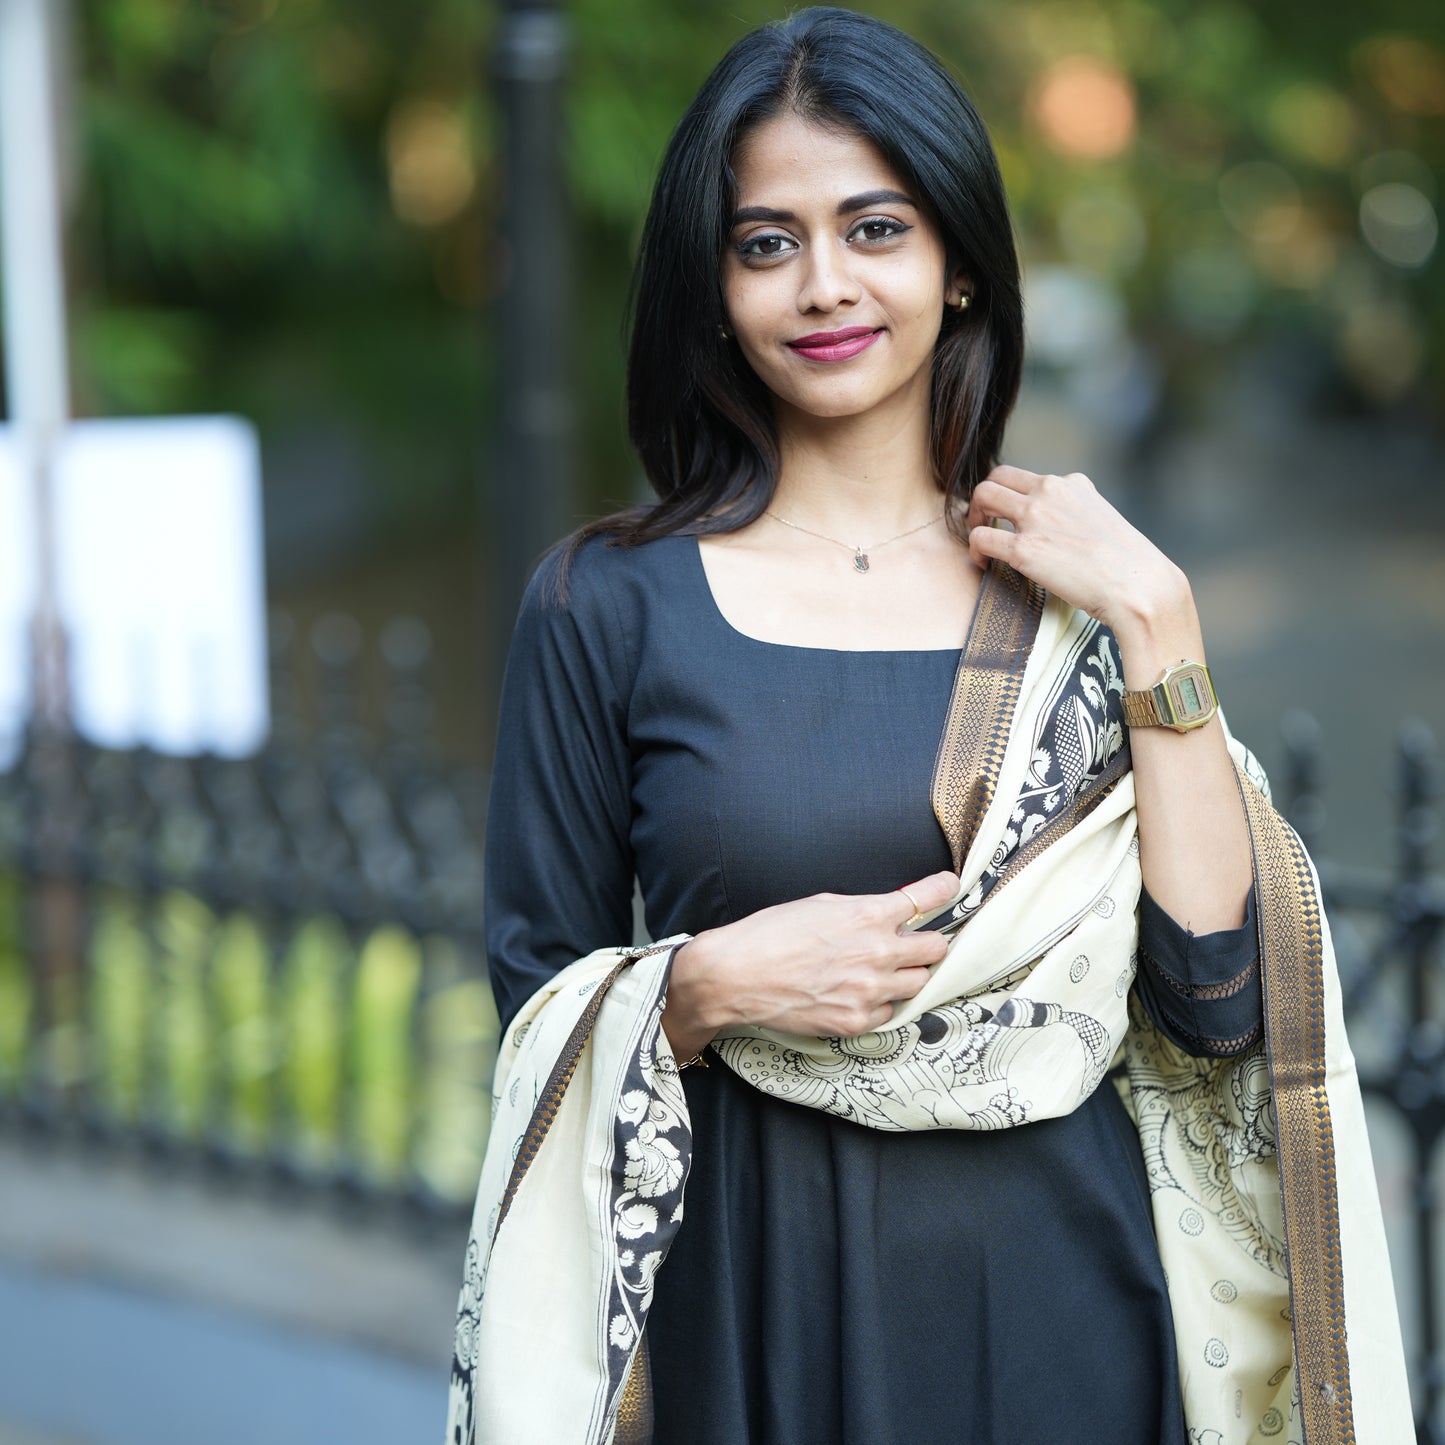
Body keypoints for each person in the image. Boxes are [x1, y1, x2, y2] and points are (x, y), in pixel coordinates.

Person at [447, 10, 1410, 1444]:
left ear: (957, 260)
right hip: (746, 1313)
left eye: (872, 227)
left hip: (1062, 1321)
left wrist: (1158, 619)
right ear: (711, 286)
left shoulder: (1072, 598)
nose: (821, 284)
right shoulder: (608, 606)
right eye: (765, 241)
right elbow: (539, 1000)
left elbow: (1212, 995)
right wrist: (704, 988)